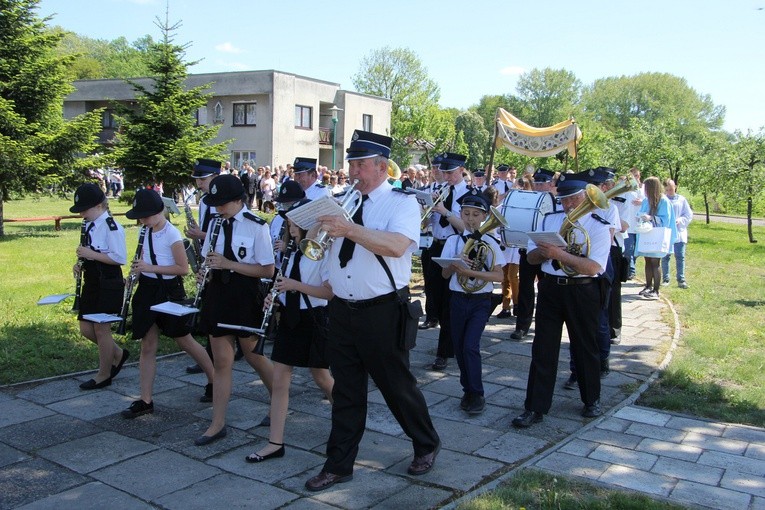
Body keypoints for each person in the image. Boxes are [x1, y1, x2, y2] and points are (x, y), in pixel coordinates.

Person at [304, 130, 440, 492]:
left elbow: (397, 247)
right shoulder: (341, 201)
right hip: (342, 310)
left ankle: (426, 443)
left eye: (360, 165)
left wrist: (348, 229)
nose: (353, 172)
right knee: (346, 393)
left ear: (382, 167)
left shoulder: (401, 203)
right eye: (351, 164)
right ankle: (339, 465)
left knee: (397, 386)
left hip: (382, 312)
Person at [512, 177, 611, 428]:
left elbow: (593, 267)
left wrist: (559, 254)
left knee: (584, 346)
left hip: (583, 290)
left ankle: (592, 400)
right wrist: (541, 252)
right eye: (564, 199)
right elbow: (532, 259)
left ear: (587, 198)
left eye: (574, 199)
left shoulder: (599, 225)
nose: (568, 205)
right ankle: (534, 407)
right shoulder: (550, 220)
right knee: (543, 348)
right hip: (550, 289)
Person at [245, 200, 334, 462]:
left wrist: (294, 285)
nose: (289, 227)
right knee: (281, 380)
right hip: (291, 320)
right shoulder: (293, 252)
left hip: (314, 319)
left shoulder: (321, 253)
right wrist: (275, 297)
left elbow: (329, 293)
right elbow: (285, 283)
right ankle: (275, 442)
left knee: (322, 377)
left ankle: (346, 423)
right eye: (289, 223)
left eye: (294, 223)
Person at [194, 174, 275, 445]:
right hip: (218, 294)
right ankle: (217, 423)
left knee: (253, 356)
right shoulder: (215, 223)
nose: (217, 208)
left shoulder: (257, 226)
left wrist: (229, 264)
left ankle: (279, 400)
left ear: (239, 200)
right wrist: (203, 272)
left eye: (223, 203)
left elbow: (267, 270)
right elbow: (208, 259)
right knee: (222, 361)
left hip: (244, 295)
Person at [120, 189, 215, 418]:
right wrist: (134, 276)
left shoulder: (171, 234)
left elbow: (182, 269)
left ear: (158, 212)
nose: (142, 220)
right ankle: (145, 399)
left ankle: (215, 380)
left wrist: (149, 268)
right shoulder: (145, 231)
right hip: (147, 290)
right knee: (147, 344)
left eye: (145, 216)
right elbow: (144, 260)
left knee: (184, 340)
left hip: (169, 291)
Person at [441, 192, 503, 415]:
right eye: (466, 214)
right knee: (459, 347)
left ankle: (477, 393)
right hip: (457, 299)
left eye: (476, 215)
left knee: (470, 346)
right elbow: (445, 274)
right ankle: (467, 390)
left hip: (480, 301)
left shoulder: (491, 242)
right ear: (460, 214)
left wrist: (468, 271)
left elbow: (499, 276)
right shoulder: (452, 241)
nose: (470, 219)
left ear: (485, 216)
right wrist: (455, 262)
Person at [70, 183, 129, 390]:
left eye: (84, 210)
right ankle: (118, 354)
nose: (81, 214)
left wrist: (90, 255)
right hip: (92, 280)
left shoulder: (112, 226)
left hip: (108, 282)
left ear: (98, 206)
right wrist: (80, 264)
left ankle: (104, 374)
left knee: (101, 330)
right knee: (86, 328)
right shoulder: (89, 225)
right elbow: (89, 253)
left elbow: (119, 257)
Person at [425, 153, 469, 371]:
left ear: (461, 170)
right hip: (436, 244)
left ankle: (444, 351)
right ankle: (447, 343)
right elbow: (431, 222)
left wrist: (445, 211)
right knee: (436, 294)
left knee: (450, 300)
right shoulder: (440, 191)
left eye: (451, 172)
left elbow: (467, 228)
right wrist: (426, 211)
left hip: (456, 247)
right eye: (445, 172)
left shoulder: (470, 195)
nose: (447, 176)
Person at [510, 168, 556, 340]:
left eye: (542, 183)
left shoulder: (557, 203)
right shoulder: (528, 200)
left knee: (547, 289)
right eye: (536, 183)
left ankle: (546, 324)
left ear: (551, 184)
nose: (538, 186)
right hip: (527, 250)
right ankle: (522, 326)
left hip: (548, 252)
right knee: (526, 288)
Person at [635, 176, 677, 300]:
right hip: (647, 234)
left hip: (657, 235)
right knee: (647, 260)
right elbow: (640, 212)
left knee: (655, 262)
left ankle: (656, 290)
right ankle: (648, 285)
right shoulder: (646, 200)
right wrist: (640, 216)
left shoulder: (663, 201)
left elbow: (666, 219)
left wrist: (651, 218)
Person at [661, 179, 692, 289]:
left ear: (675, 187)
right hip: (667, 231)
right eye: (667, 189)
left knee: (680, 256)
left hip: (679, 231)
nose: (670, 191)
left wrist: (680, 220)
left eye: (671, 188)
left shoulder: (681, 200)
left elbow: (688, 214)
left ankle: (681, 279)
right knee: (665, 256)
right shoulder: (663, 200)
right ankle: (665, 278)